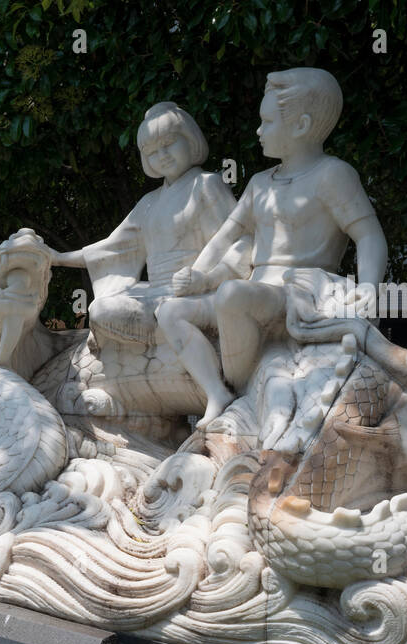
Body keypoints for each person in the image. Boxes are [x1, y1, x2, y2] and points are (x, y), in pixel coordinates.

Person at [161, 67, 387, 423]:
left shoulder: (333, 175)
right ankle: (219, 393)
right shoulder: (259, 183)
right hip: (255, 289)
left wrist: (370, 288)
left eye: (267, 122)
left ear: (300, 126)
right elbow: (225, 236)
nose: (258, 131)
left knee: (232, 295)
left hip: (299, 292)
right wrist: (198, 275)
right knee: (170, 312)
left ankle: (243, 390)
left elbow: (369, 234)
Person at [44, 101, 249, 417]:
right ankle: (158, 342)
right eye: (152, 151)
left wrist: (207, 277)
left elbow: (237, 241)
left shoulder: (207, 185)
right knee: (100, 308)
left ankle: (215, 391)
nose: (162, 155)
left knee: (170, 311)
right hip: (154, 293)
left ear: (190, 139)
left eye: (169, 143)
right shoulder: (149, 202)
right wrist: (57, 258)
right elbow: (111, 248)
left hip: (197, 288)